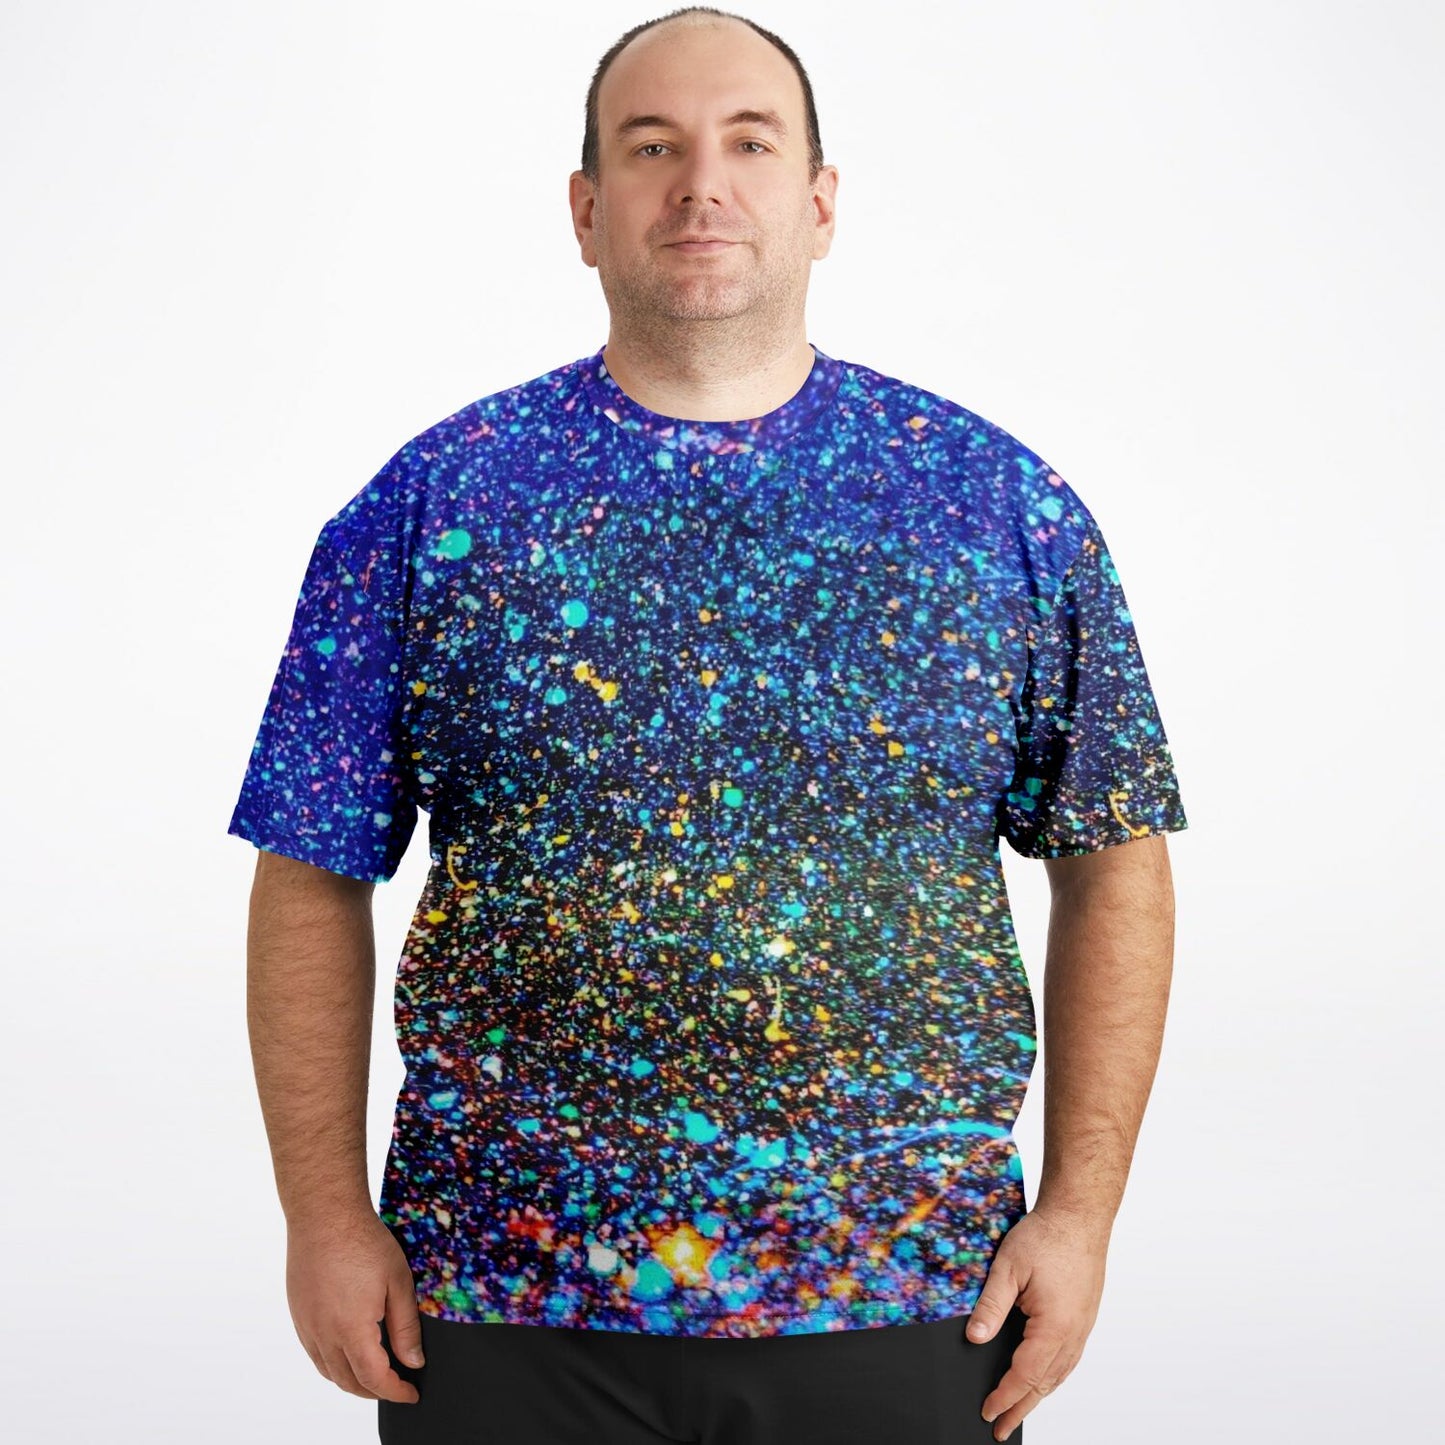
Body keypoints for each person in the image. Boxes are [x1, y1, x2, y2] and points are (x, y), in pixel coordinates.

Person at [227, 7, 1188, 1443]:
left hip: (906, 1283)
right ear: (584, 208)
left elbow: (1114, 862)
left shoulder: (998, 509)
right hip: (498, 1291)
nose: (700, 185)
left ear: (821, 201)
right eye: (650, 147)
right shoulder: (432, 508)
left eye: (750, 142)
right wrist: (321, 1217)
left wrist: (1081, 1210)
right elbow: (311, 870)